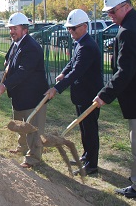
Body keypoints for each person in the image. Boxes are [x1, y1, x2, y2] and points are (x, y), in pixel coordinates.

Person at [93, 0, 136, 199]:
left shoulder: (129, 30)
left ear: (126, 6)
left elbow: (126, 70)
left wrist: (105, 94)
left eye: (113, 12)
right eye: (108, 13)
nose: (110, 17)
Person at [45, 9, 103, 175]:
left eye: (73, 28)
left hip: (89, 95)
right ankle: (86, 155)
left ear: (84, 26)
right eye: (68, 28)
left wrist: (57, 88)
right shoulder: (80, 43)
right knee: (84, 127)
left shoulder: (88, 46)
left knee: (90, 129)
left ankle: (92, 165)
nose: (70, 31)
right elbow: (72, 63)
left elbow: (77, 71)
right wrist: (63, 73)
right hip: (81, 95)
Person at [0, 12, 48, 168]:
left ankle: (34, 157)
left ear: (25, 29)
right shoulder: (17, 42)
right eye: (10, 28)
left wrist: (5, 85)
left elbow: (23, 72)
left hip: (33, 95)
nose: (12, 31)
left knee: (33, 127)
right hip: (19, 94)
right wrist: (7, 62)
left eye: (15, 28)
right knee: (20, 124)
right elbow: (9, 58)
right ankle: (22, 147)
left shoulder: (31, 47)